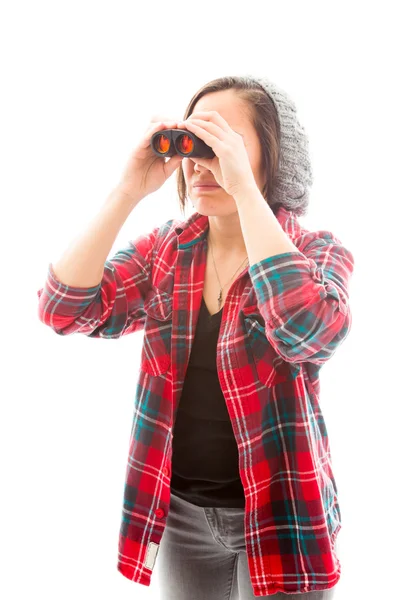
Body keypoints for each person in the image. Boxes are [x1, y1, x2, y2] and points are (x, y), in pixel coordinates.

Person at [37, 75, 354, 598]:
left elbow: (309, 333)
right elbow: (62, 309)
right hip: (180, 515)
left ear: (273, 159)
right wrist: (127, 191)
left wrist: (245, 189)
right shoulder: (169, 251)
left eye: (223, 141)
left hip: (282, 511)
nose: (201, 160)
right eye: (195, 141)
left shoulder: (317, 252)